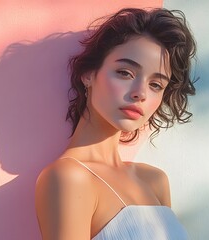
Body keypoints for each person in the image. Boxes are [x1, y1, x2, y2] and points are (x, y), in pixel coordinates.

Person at [35, 7, 196, 240]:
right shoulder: (69, 177)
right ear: (89, 74)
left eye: (156, 85)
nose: (140, 93)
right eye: (125, 72)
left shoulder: (155, 180)